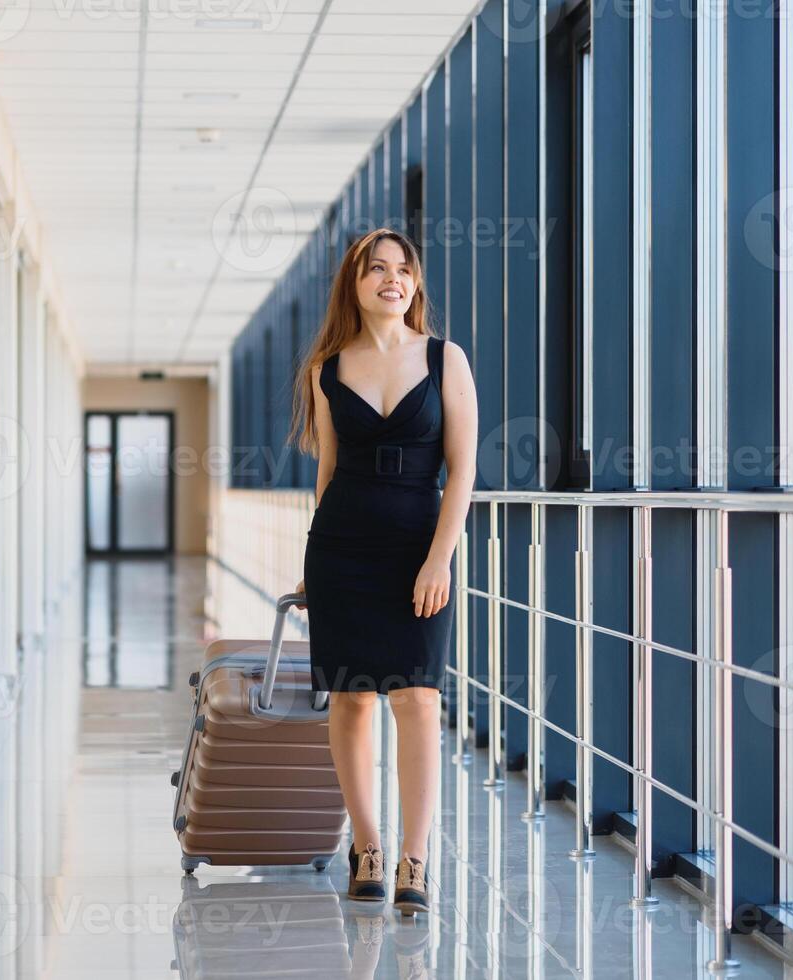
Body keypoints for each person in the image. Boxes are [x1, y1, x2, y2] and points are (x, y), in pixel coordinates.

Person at [285, 228, 478, 916]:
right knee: (352, 697)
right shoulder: (328, 368)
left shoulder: (445, 358)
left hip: (417, 546)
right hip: (342, 547)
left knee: (418, 697)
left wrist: (439, 559)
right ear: (356, 284)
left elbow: (464, 472)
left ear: (415, 285)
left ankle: (415, 857)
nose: (392, 279)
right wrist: (313, 565)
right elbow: (328, 469)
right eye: (377, 270)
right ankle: (366, 848)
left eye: (403, 270)